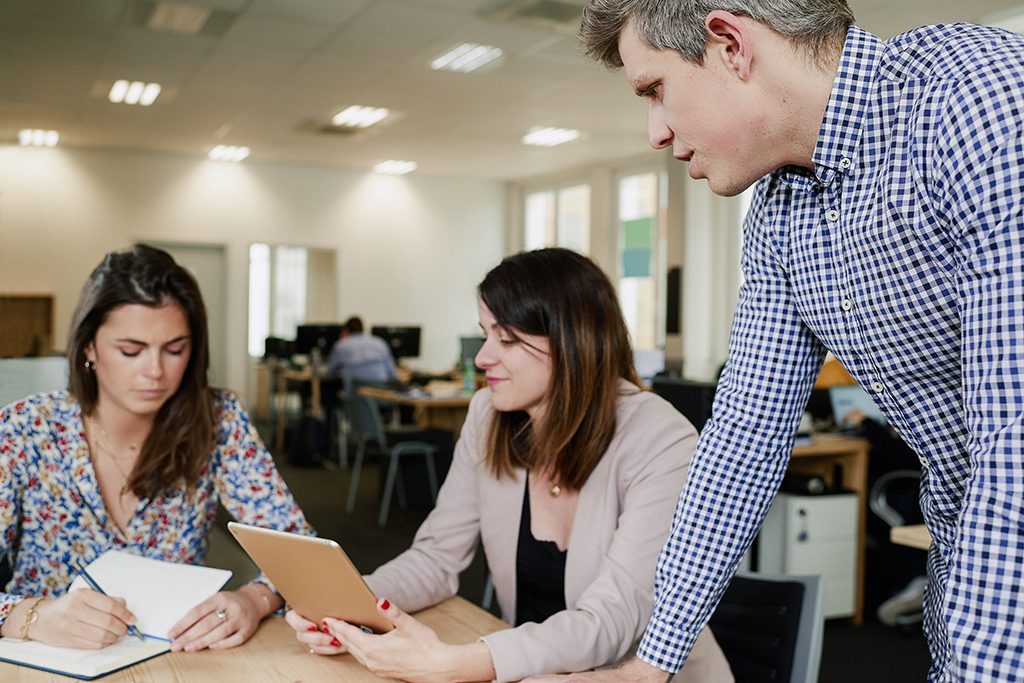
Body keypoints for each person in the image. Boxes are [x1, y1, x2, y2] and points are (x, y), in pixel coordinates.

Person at [563, 0, 1024, 680]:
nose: (654, 132)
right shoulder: (779, 217)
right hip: (977, 571)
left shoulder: (972, 99)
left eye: (654, 90)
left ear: (729, 44)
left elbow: (1014, 440)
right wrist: (653, 659)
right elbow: (743, 439)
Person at [286, 248, 732, 682]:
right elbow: (436, 559)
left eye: (508, 339)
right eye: (485, 334)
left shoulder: (659, 438)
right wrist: (349, 607)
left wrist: (457, 665)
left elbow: (610, 621)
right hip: (526, 668)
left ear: (573, 343)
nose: (482, 358)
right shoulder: (488, 415)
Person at [0, 245, 312, 651]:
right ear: (89, 348)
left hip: (177, 660)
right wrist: (32, 617)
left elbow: (301, 556)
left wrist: (253, 599)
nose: (155, 372)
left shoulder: (220, 420)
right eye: (131, 351)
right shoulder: (25, 429)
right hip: (43, 663)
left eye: (175, 349)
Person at [324, 316, 398, 392]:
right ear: (363, 329)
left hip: (356, 396)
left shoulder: (342, 345)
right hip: (381, 395)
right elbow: (392, 374)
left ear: (345, 330)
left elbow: (329, 373)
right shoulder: (380, 343)